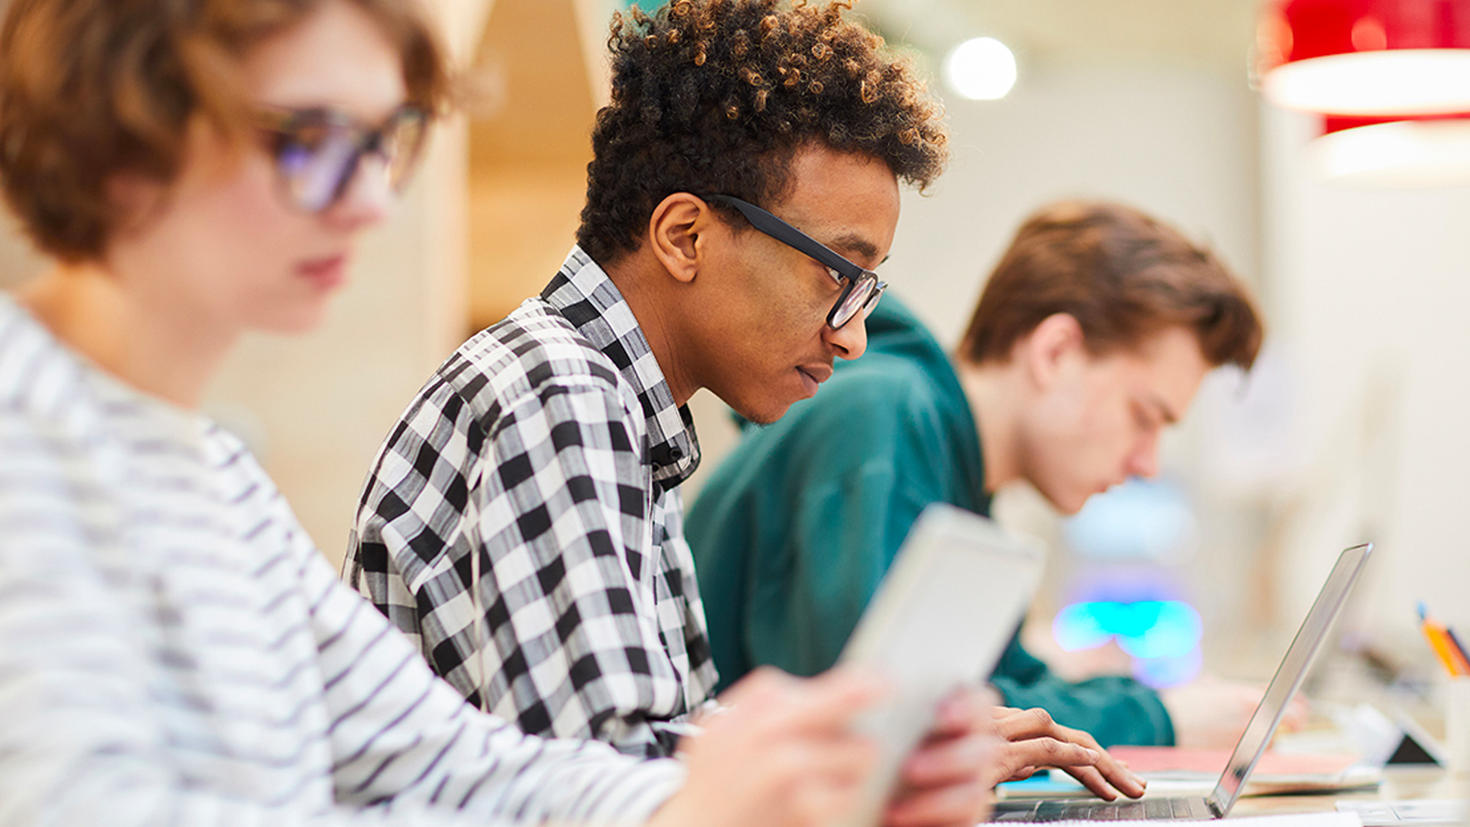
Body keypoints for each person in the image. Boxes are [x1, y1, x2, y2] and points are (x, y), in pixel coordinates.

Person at [0, 1, 965, 824]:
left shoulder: (215, 478)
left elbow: (459, 766)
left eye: (388, 143)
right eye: (313, 142)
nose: (372, 201)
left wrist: (762, 777)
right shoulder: (24, 442)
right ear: (126, 134)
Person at [344, 0, 1144, 815]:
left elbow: (654, 738)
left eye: (867, 289)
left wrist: (882, 746)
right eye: (838, 275)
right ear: (685, 236)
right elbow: (616, 782)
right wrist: (865, 758)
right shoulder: (561, 392)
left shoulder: (612, 403)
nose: (854, 337)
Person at [686, 200, 1272, 749]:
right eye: (1144, 416)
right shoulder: (882, 418)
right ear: (1056, 352)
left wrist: (1154, 703)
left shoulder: (953, 475)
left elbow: (997, 687)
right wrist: (1160, 717)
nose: (1147, 463)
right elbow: (881, 724)